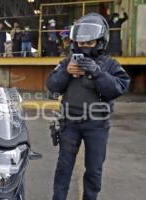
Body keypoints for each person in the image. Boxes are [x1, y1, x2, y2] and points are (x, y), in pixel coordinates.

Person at [46, 13, 130, 200]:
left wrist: (98, 73)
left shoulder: (109, 64)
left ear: (100, 42)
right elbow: (51, 86)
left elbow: (119, 87)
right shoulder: (68, 63)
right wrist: (66, 73)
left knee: (94, 171)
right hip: (70, 124)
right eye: (81, 43)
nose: (84, 47)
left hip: (97, 125)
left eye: (89, 43)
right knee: (63, 168)